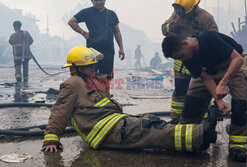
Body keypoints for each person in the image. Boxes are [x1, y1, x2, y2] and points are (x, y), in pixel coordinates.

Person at [41, 46, 218, 154]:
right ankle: (201, 136)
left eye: (94, 64)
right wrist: (51, 138)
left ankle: (200, 133)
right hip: (106, 132)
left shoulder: (90, 81)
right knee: (152, 130)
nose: (94, 67)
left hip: (115, 124)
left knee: (151, 122)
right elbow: (59, 111)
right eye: (89, 65)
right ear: (77, 68)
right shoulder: (72, 84)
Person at [161, 30, 247, 162]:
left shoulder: (208, 38)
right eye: (178, 58)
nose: (182, 60)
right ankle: (195, 137)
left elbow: (237, 59)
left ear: (185, 43)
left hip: (234, 64)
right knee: (192, 103)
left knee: (240, 105)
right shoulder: (186, 57)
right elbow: (206, 79)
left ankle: (237, 146)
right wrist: (219, 101)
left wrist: (223, 83)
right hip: (209, 70)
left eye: (181, 56)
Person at [161, 0, 218, 124]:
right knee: (179, 92)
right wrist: (174, 25)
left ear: (193, 8)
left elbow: (214, 38)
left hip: (199, 62)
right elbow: (164, 30)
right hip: (181, 63)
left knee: (202, 92)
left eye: (183, 12)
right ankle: (176, 119)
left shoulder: (206, 18)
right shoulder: (177, 15)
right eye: (178, 12)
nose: (181, 15)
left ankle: (204, 121)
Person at [68, 0, 125, 77]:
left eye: (101, 0)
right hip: (92, 51)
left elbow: (117, 32)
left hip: (108, 51)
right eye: (96, 0)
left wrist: (121, 48)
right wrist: (84, 33)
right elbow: (71, 22)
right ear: (92, 1)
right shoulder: (87, 12)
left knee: (106, 77)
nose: (99, 2)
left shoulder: (112, 14)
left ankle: (104, 89)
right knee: (90, 76)